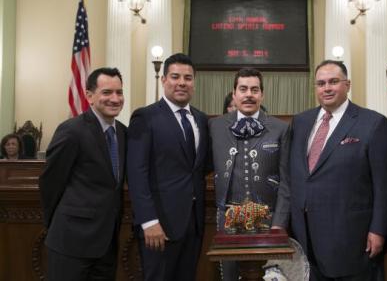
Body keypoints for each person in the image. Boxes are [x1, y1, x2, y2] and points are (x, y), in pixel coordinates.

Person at [289, 60, 387, 280]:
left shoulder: (373, 123)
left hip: (351, 239)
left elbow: (383, 185)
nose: (327, 88)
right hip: (304, 237)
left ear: (348, 84)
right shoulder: (300, 122)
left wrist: (378, 229)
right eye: (321, 83)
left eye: (334, 82)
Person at [127, 53, 209, 281]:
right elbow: (136, 174)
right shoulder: (145, 117)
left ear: (194, 82)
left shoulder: (201, 120)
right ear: (163, 80)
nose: (182, 82)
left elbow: (201, 167)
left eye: (188, 77)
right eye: (175, 76)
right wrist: (149, 221)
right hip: (159, 226)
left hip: (193, 224)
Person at [39, 67, 127, 281]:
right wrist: (57, 224)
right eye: (107, 92)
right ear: (89, 96)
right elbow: (50, 182)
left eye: (119, 92)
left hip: (107, 243)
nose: (114, 99)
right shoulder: (72, 130)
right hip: (71, 241)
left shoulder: (123, 132)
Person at [209, 67, 290, 280]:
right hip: (227, 220)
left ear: (262, 94)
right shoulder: (215, 126)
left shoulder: (280, 128)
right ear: (234, 93)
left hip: (268, 219)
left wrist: (279, 222)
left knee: (269, 276)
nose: (248, 95)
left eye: (254, 90)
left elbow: (287, 181)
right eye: (243, 89)